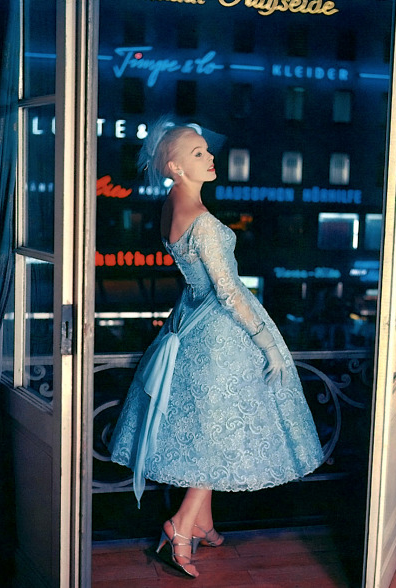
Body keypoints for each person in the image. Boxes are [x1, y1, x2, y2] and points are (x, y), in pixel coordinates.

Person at [109, 117, 323, 578]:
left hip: (189, 325)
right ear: (175, 166)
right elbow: (228, 290)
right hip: (221, 332)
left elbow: (202, 283)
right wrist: (266, 341)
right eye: (199, 154)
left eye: (207, 151)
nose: (210, 158)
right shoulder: (202, 222)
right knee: (218, 434)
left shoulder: (171, 206)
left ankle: (201, 520)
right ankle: (180, 526)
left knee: (211, 432)